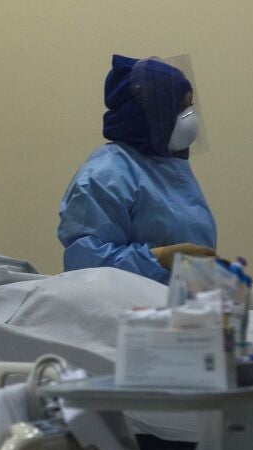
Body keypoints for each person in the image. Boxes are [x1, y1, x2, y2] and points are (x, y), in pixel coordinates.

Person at [58, 55, 216, 283]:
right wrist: (158, 258)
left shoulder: (170, 167)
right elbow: (85, 266)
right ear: (147, 114)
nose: (189, 116)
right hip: (129, 304)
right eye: (180, 107)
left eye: (190, 106)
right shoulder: (104, 175)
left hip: (180, 300)